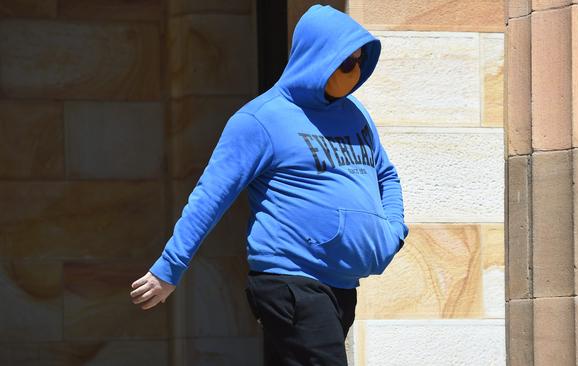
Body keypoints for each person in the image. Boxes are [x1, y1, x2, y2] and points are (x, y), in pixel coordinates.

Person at [130, 4, 408, 365]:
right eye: (345, 63)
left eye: (359, 61)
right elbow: (210, 196)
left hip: (341, 285)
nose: (353, 72)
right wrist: (170, 268)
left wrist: (393, 231)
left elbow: (385, 174)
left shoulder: (355, 113)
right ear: (318, 57)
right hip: (289, 283)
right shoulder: (260, 120)